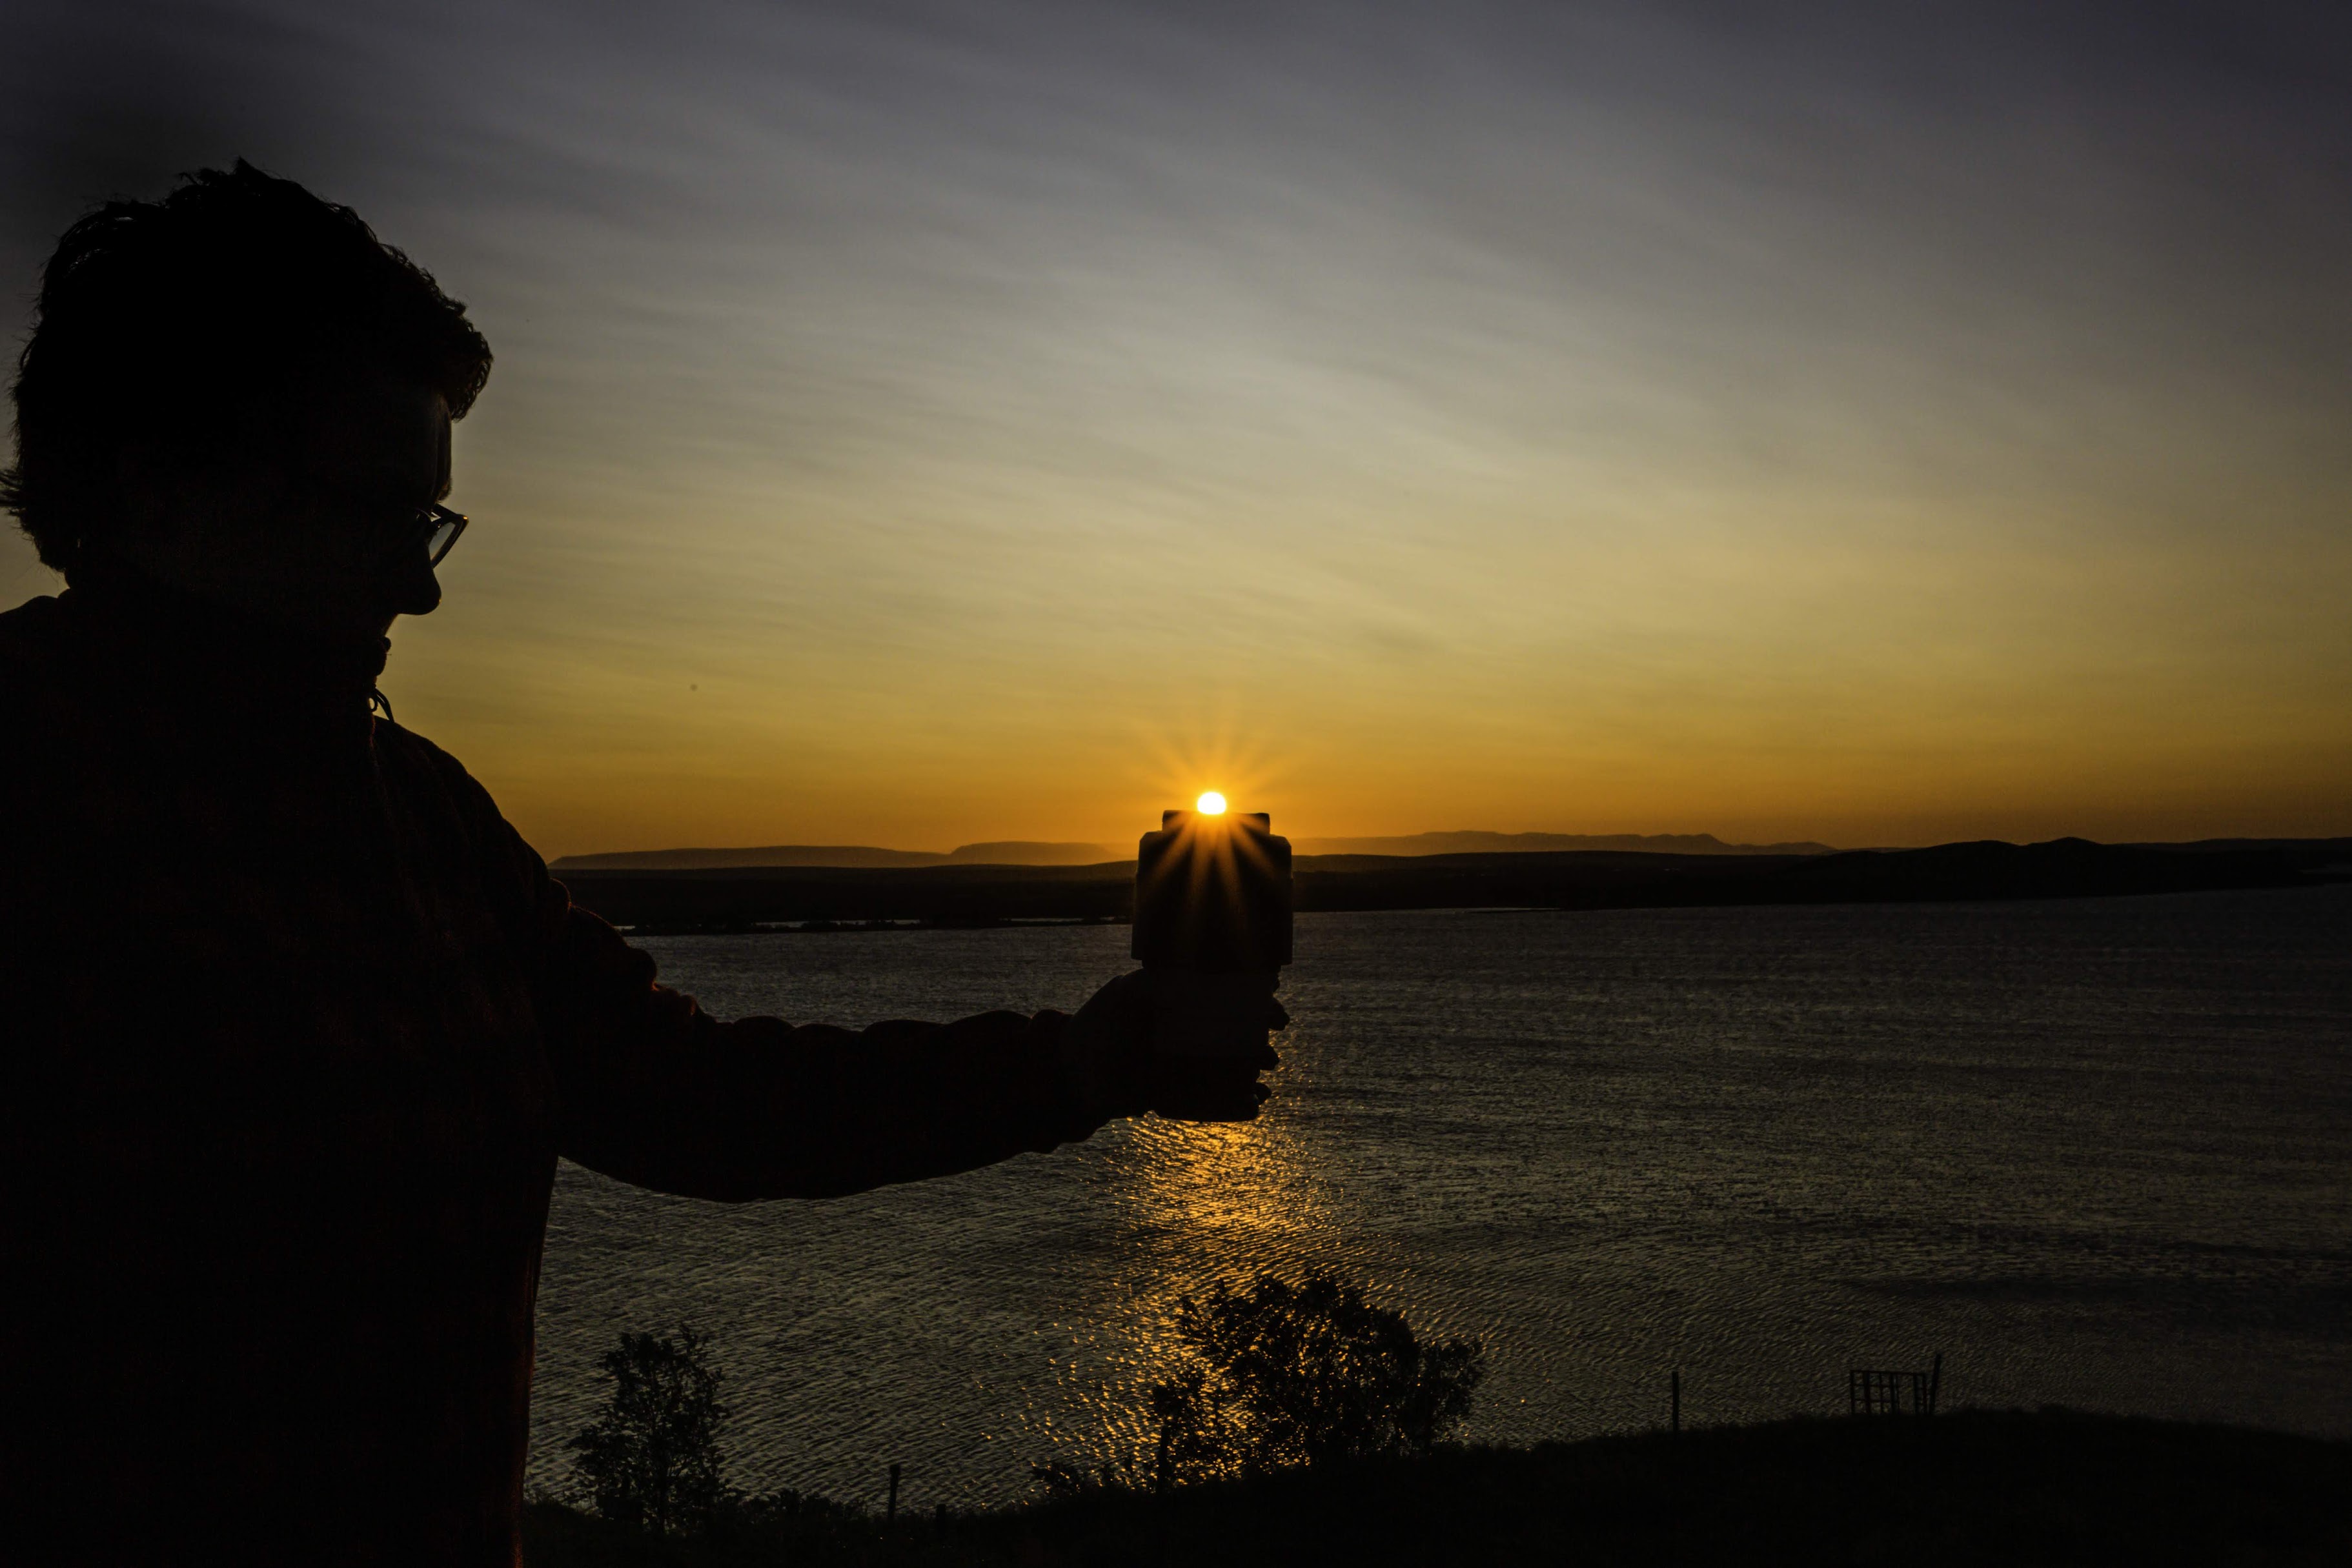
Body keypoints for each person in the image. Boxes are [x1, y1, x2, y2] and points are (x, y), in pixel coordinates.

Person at [0, 162, 1279, 1565]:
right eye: (373, 510)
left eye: (429, 525)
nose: (419, 583)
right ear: (161, 489)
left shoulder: (416, 812)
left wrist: (1074, 1069)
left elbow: (686, 1095)